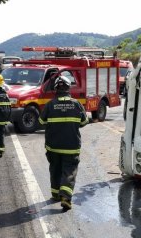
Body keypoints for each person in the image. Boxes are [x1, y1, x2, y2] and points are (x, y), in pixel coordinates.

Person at [38, 76, 89, 211]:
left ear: (56, 89)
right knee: (69, 171)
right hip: (71, 147)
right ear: (68, 88)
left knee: (55, 169)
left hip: (53, 147)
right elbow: (84, 122)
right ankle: (65, 197)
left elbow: (41, 122)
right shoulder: (77, 104)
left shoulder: (50, 104)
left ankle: (55, 195)